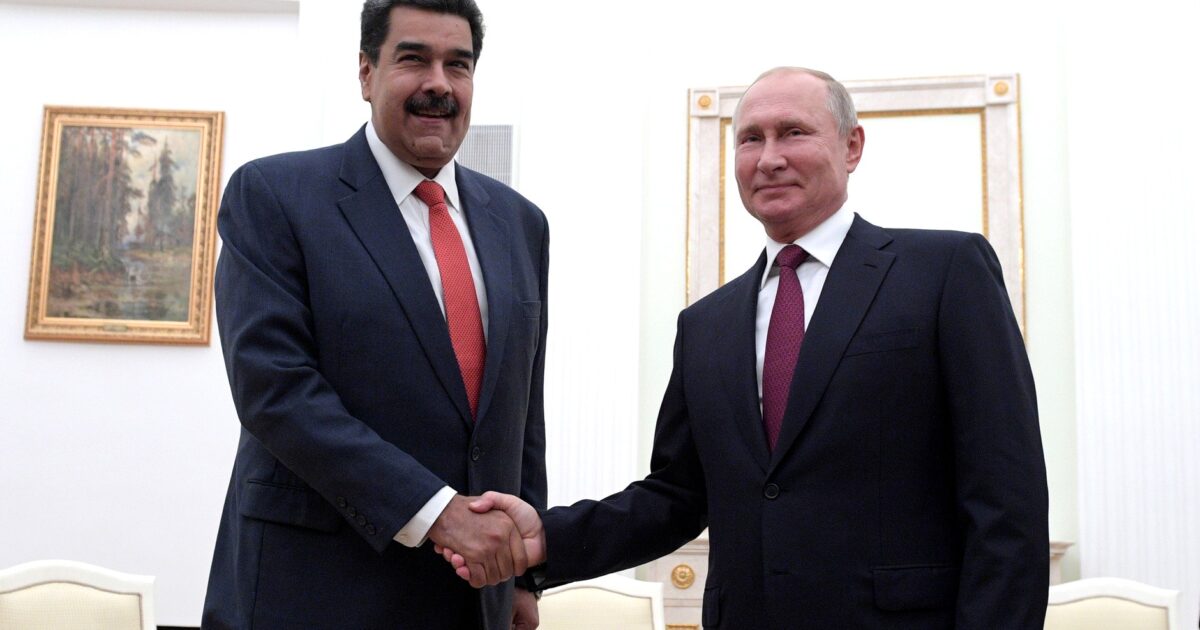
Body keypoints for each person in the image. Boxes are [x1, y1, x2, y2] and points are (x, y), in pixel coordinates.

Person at [444, 67, 1049, 629]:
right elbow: (676, 496)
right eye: (750, 139)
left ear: (852, 146)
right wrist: (544, 537)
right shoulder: (705, 325)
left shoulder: (943, 272)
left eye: (794, 133)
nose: (769, 158)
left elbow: (1007, 500)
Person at [202, 0, 548, 627]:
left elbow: (524, 409)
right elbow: (275, 391)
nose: (438, 83)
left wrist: (524, 577)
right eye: (413, 59)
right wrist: (436, 512)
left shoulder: (521, 223)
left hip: (472, 602)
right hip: (315, 592)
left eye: (458, 65)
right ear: (366, 72)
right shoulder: (276, 197)